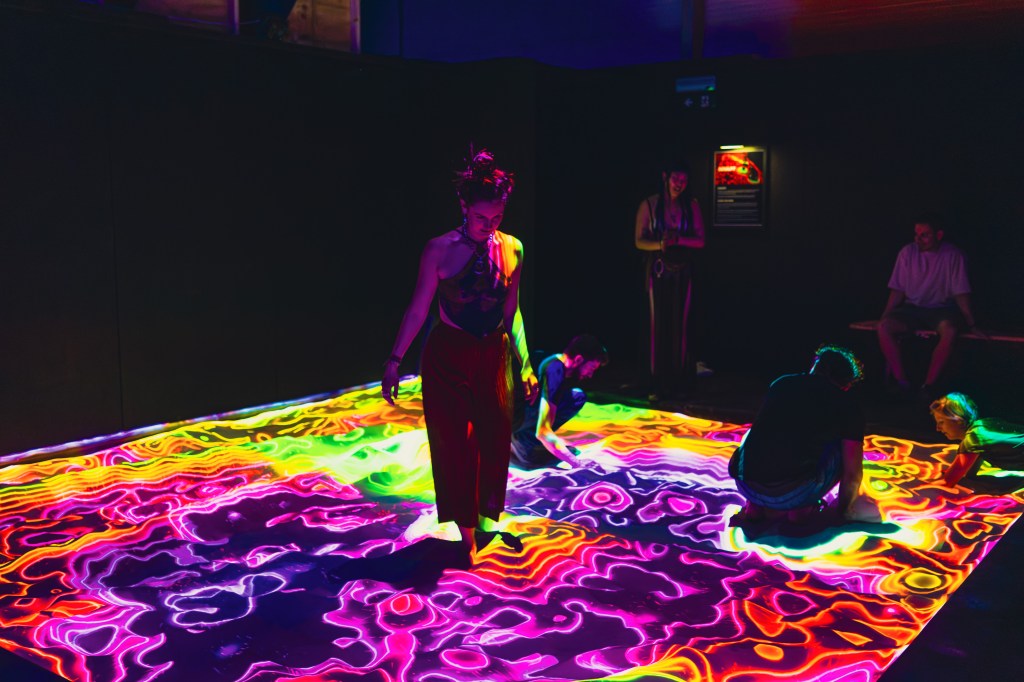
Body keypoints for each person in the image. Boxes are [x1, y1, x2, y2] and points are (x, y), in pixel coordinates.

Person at [381, 149, 539, 560]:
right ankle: (466, 536)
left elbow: (512, 312)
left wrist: (525, 365)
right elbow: (418, 309)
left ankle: (486, 521)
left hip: (494, 355)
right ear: (464, 207)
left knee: (494, 440)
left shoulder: (514, 248)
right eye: (482, 217)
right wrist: (395, 360)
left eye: (498, 217)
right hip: (449, 356)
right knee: (456, 443)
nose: (490, 225)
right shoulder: (439, 249)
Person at [728, 345, 866, 529]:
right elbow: (852, 474)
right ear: (846, 385)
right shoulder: (847, 403)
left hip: (746, 486)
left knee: (755, 433)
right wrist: (844, 512)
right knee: (845, 450)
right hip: (795, 494)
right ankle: (800, 509)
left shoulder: (781, 383)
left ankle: (754, 507)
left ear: (814, 366)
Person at [878, 215, 981, 395]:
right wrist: (884, 316)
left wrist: (972, 323)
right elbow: (898, 290)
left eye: (924, 235)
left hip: (942, 310)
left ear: (938, 235)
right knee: (884, 327)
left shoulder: (953, 255)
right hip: (912, 309)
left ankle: (929, 385)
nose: (918, 239)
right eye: (916, 235)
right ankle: (901, 381)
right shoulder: (907, 253)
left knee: (949, 330)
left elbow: (961, 292)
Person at [634, 159, 707, 402]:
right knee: (657, 326)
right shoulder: (650, 204)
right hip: (657, 273)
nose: (679, 184)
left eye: (684, 180)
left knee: (680, 325)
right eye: (676, 179)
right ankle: (655, 382)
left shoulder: (691, 205)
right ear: (665, 177)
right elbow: (639, 240)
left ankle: (679, 382)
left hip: (682, 273)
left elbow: (700, 240)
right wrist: (661, 244)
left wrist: (678, 241)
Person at [510, 334, 609, 469]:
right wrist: (577, 463)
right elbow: (543, 431)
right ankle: (522, 443)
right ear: (579, 359)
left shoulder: (551, 360)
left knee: (577, 397)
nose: (590, 375)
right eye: (591, 368)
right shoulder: (554, 370)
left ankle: (523, 439)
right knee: (573, 399)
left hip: (509, 412)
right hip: (507, 418)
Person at [929, 393, 1024, 489]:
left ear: (958, 420)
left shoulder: (974, 438)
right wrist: (953, 472)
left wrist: (921, 486)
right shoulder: (983, 426)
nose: (938, 428)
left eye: (941, 422)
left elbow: (947, 482)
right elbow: (969, 474)